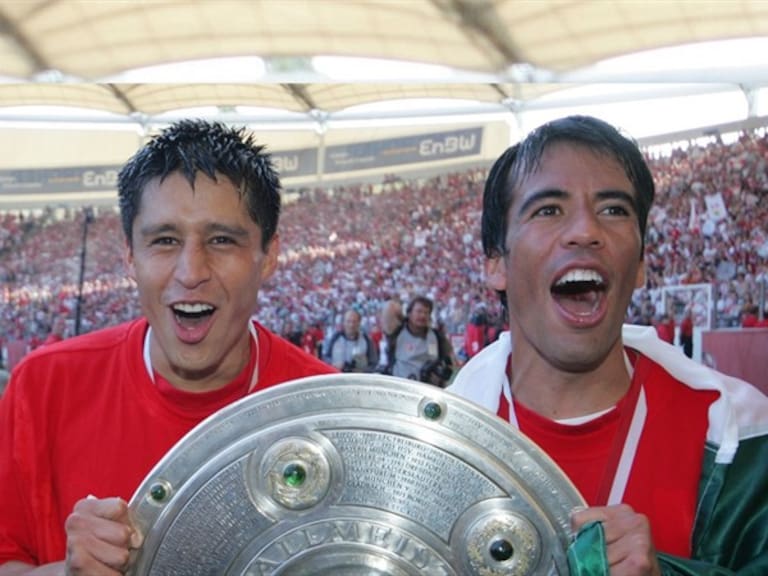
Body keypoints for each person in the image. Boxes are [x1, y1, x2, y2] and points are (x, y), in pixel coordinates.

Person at [0, 119, 337, 575]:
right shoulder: (44, 387)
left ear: (269, 255)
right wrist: (67, 571)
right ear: (129, 256)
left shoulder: (334, 412)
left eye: (221, 240)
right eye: (164, 240)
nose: (190, 270)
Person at [449, 115, 768, 573]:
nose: (585, 230)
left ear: (639, 264)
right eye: (549, 209)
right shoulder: (442, 442)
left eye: (614, 210)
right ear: (496, 264)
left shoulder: (740, 435)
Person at [387, 295, 454, 387]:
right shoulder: (397, 332)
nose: (422, 315)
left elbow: (449, 362)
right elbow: (390, 309)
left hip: (428, 388)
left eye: (426, 313)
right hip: (400, 386)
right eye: (419, 311)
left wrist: (440, 375)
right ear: (409, 313)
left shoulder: (437, 336)